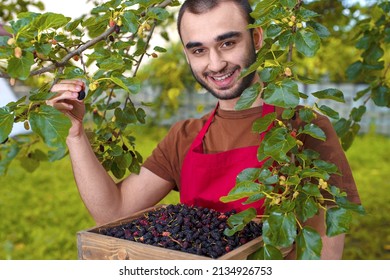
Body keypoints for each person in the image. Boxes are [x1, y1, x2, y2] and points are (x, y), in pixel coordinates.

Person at [48, 0, 361, 259]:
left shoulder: (304, 129)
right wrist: (75, 134)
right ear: (187, 53)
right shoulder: (182, 137)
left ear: (257, 38)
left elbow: (324, 255)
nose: (215, 64)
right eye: (198, 50)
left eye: (227, 43)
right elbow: (112, 213)